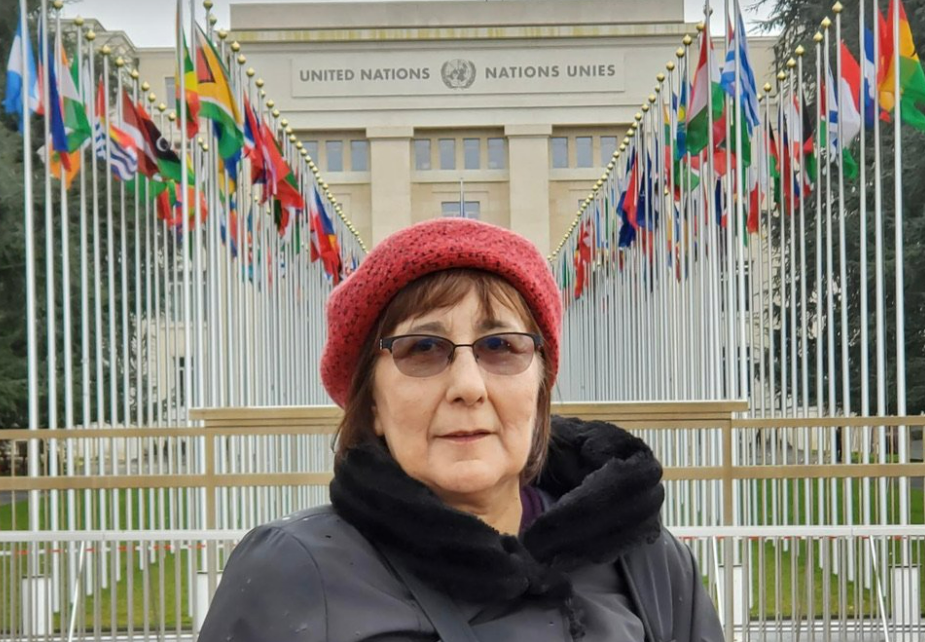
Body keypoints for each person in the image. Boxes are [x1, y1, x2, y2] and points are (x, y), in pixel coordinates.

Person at [198, 218, 723, 642]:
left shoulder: (642, 559)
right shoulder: (294, 572)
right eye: (423, 349)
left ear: (539, 391)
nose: (468, 387)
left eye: (501, 347)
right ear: (373, 404)